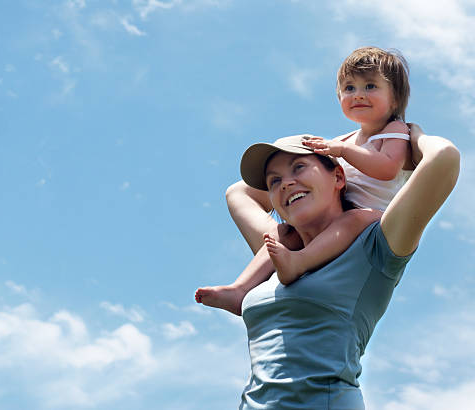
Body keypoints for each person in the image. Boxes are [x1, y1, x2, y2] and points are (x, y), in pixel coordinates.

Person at [236, 126, 459, 408]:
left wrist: (406, 136)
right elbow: (238, 192)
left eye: (299, 167)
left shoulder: (374, 244)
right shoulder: (276, 252)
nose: (285, 184)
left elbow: (444, 158)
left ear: (339, 176)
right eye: (274, 181)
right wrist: (327, 156)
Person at [195, 47, 413, 314]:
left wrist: (342, 152)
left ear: (395, 99)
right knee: (287, 232)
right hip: (335, 217)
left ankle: (299, 262)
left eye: (370, 86)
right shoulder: (343, 140)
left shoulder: (395, 130)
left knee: (353, 219)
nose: (358, 95)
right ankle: (240, 289)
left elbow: (388, 169)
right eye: (348, 88)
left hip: (369, 221)